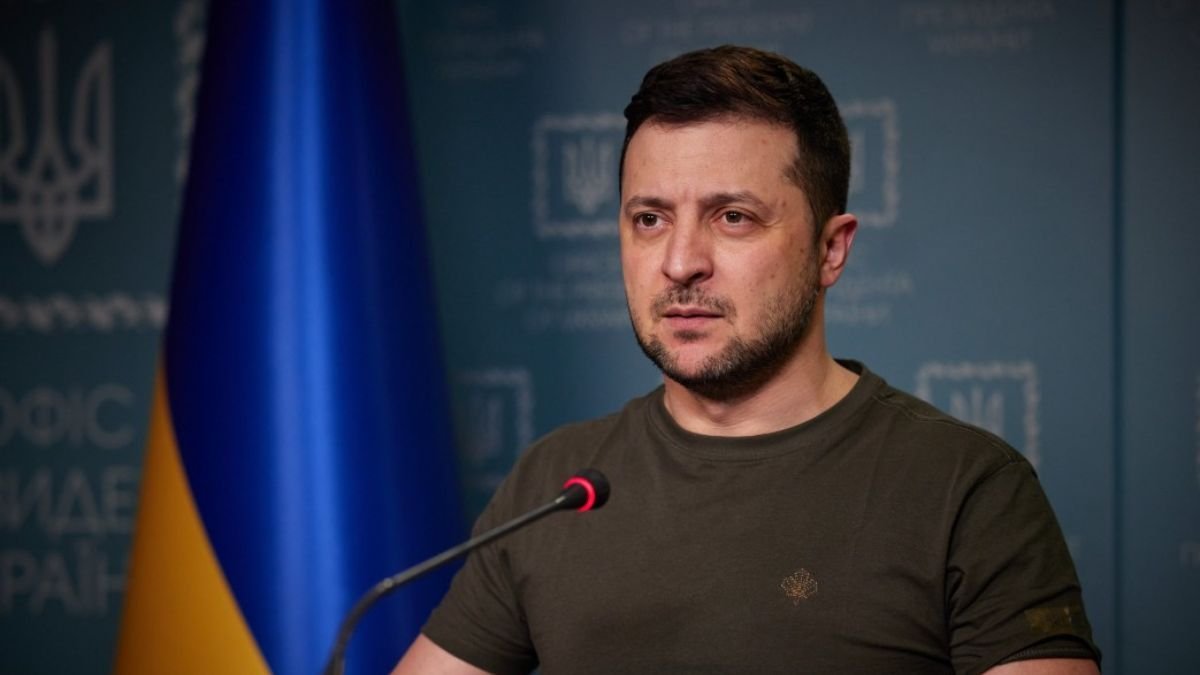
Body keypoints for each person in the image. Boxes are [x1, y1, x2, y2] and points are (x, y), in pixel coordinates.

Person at [395, 45, 1101, 674]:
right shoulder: (556, 481)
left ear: (831, 249)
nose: (680, 262)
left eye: (733, 216)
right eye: (650, 219)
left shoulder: (967, 487)